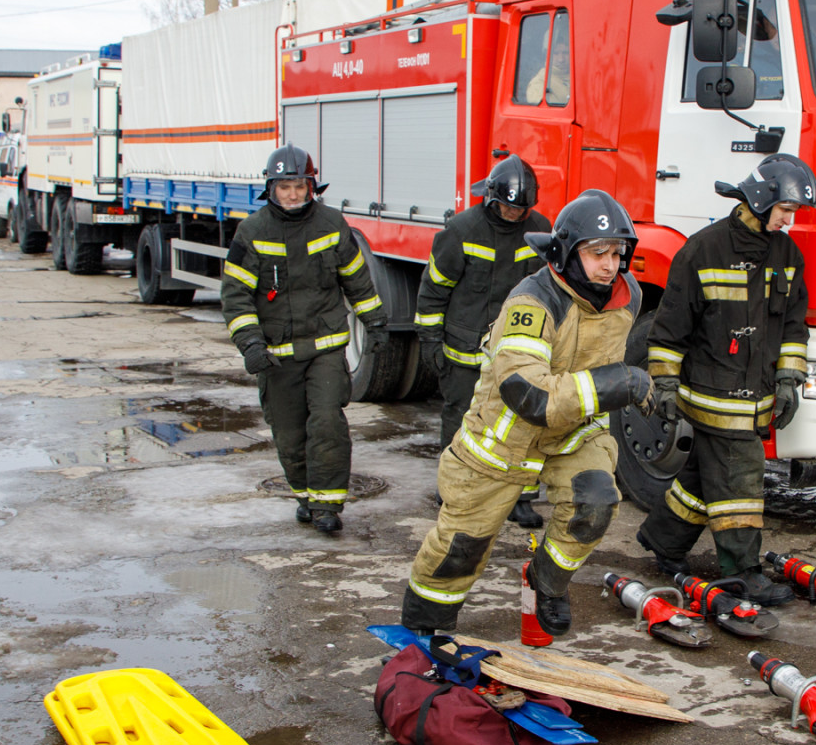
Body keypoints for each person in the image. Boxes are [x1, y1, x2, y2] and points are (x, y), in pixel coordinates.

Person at [400, 189, 652, 640]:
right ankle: (422, 635)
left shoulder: (626, 295)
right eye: (597, 253)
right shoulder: (531, 302)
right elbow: (529, 395)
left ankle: (547, 582)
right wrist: (619, 384)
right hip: (503, 442)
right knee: (460, 551)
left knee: (595, 503)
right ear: (566, 253)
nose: (611, 265)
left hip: (572, 433)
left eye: (618, 252)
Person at [635, 154, 816, 606]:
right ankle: (742, 573)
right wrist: (666, 385)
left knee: (703, 480)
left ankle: (663, 540)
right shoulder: (703, 251)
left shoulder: (787, 256)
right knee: (739, 480)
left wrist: (791, 379)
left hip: (756, 395)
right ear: (760, 198)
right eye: (785, 211)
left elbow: (794, 325)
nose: (788, 221)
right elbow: (669, 330)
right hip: (714, 396)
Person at [222, 146, 386, 536]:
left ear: (312, 186)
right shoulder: (252, 233)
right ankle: (306, 497)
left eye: (299, 186)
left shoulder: (331, 224)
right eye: (284, 187)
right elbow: (236, 296)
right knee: (290, 432)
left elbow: (357, 279)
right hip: (277, 356)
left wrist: (376, 322)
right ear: (270, 189)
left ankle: (328, 505)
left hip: (326, 346)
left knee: (328, 423)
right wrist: (251, 345)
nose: (293, 194)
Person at [415, 154, 553, 529]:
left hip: (518, 350)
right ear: (491, 198)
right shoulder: (460, 231)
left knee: (525, 423)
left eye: (520, 209)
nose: (513, 214)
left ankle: (520, 497)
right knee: (461, 420)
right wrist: (429, 342)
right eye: (507, 208)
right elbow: (433, 291)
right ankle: (454, 490)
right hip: (464, 351)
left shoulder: (540, 229)